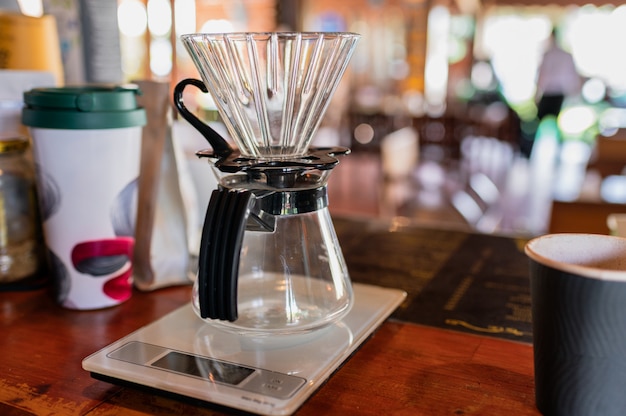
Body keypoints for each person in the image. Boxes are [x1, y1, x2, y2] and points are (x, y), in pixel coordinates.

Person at [535, 28, 582, 121]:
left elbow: (542, 75)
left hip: (552, 92)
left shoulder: (547, 55)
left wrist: (537, 94)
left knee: (544, 119)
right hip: (560, 92)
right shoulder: (564, 55)